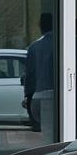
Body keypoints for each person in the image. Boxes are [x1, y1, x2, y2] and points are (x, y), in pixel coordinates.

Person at [23, 12, 55, 142]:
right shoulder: (65, 44)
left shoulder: (34, 47)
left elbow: (29, 74)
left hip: (40, 95)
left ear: (40, 26)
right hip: (60, 95)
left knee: (47, 131)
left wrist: (27, 96)